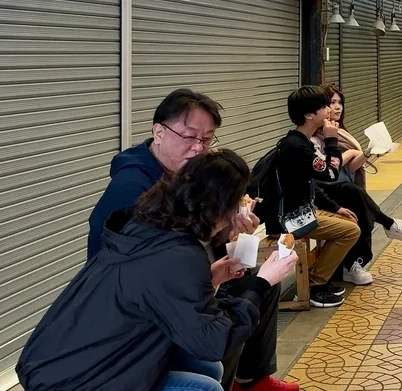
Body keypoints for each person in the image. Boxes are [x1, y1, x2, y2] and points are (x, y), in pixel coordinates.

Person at [19, 150, 298, 391]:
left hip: (52, 364)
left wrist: (211, 279)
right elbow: (214, 341)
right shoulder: (178, 254)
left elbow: (166, 296)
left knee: (209, 369)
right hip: (80, 381)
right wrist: (262, 282)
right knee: (205, 385)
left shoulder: (149, 225)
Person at [85, 89, 294, 391]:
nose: (198, 148)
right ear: (159, 132)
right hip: (136, 313)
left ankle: (249, 376)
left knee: (254, 285)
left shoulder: (183, 174)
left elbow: (191, 239)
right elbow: (163, 259)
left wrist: (228, 227)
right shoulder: (133, 187)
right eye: (189, 137)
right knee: (239, 301)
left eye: (207, 139)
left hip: (169, 287)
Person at [257, 85, 360, 308]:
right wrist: (332, 141)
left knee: (348, 220)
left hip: (300, 211)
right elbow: (331, 173)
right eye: (324, 106)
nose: (330, 110)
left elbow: (312, 184)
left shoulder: (299, 141)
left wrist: (335, 207)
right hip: (289, 219)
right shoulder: (297, 147)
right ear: (309, 115)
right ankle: (316, 285)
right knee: (351, 231)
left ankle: (319, 279)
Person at [320, 87, 402, 286]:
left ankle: (355, 264)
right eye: (332, 102)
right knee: (356, 198)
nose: (338, 107)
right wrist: (348, 155)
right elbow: (330, 166)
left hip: (344, 187)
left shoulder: (340, 131)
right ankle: (388, 224)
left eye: (340, 102)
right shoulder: (320, 134)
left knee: (362, 209)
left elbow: (350, 167)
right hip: (327, 191)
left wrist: (369, 152)